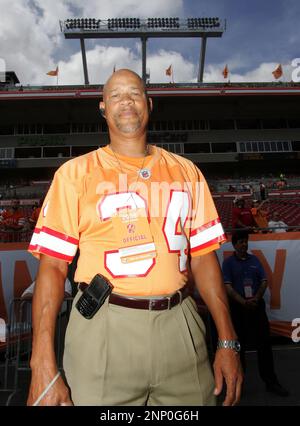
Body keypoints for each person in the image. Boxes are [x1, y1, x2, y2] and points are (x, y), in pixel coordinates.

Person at [27, 69, 242, 406]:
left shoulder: (187, 171)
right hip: (104, 327)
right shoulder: (74, 174)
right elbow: (53, 266)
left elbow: (203, 257)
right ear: (102, 108)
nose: (125, 100)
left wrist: (227, 340)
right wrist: (41, 360)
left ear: (149, 103)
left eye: (134, 93)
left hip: (180, 323)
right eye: (115, 95)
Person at [222, 231, 289, 397]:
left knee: (264, 345)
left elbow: (264, 281)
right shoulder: (228, 263)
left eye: (245, 241)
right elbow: (228, 288)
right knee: (239, 348)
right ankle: (238, 386)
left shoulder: (255, 260)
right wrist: (243, 302)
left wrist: (256, 298)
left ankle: (271, 382)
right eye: (240, 242)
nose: (244, 244)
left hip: (256, 307)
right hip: (239, 309)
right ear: (234, 244)